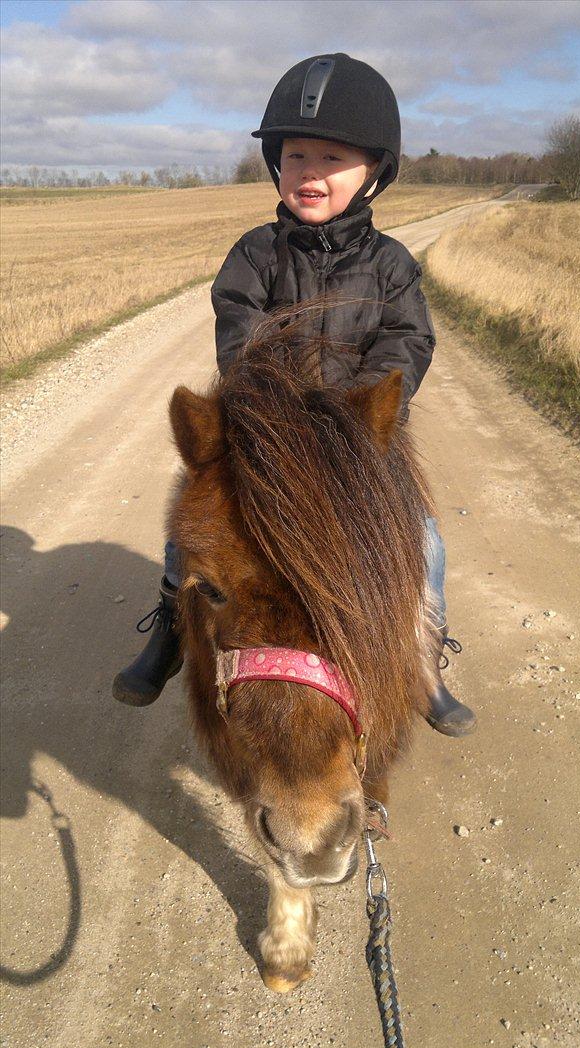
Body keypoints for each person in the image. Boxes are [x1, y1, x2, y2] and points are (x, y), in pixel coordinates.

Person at [113, 52, 476, 737]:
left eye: (332, 158)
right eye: (296, 155)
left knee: (425, 543)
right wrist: (279, 416)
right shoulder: (254, 255)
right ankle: (167, 630)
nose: (309, 172)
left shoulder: (391, 264)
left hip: (358, 443)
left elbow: (408, 341)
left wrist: (358, 413)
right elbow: (241, 337)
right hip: (271, 439)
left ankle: (421, 655)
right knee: (188, 532)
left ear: (375, 172)